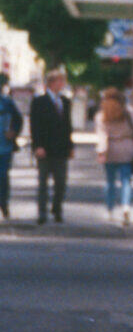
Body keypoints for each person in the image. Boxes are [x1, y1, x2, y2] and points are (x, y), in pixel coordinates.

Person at [30, 69, 74, 224]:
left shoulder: (65, 101)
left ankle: (57, 208)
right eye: (59, 81)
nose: (62, 84)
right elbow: (34, 126)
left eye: (63, 81)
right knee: (43, 183)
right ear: (51, 83)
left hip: (61, 149)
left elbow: (68, 125)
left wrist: (70, 146)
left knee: (61, 182)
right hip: (45, 148)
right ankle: (42, 213)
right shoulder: (39, 101)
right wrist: (37, 146)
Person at [94, 87, 133, 226]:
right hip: (127, 148)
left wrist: (101, 152)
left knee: (110, 181)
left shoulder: (102, 115)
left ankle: (110, 209)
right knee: (126, 180)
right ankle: (126, 207)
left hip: (111, 149)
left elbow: (101, 136)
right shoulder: (129, 112)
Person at [0, 73, 22, 220]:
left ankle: (4, 204)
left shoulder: (7, 102)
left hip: (4, 147)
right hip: (5, 147)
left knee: (3, 176)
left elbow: (18, 119)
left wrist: (13, 132)